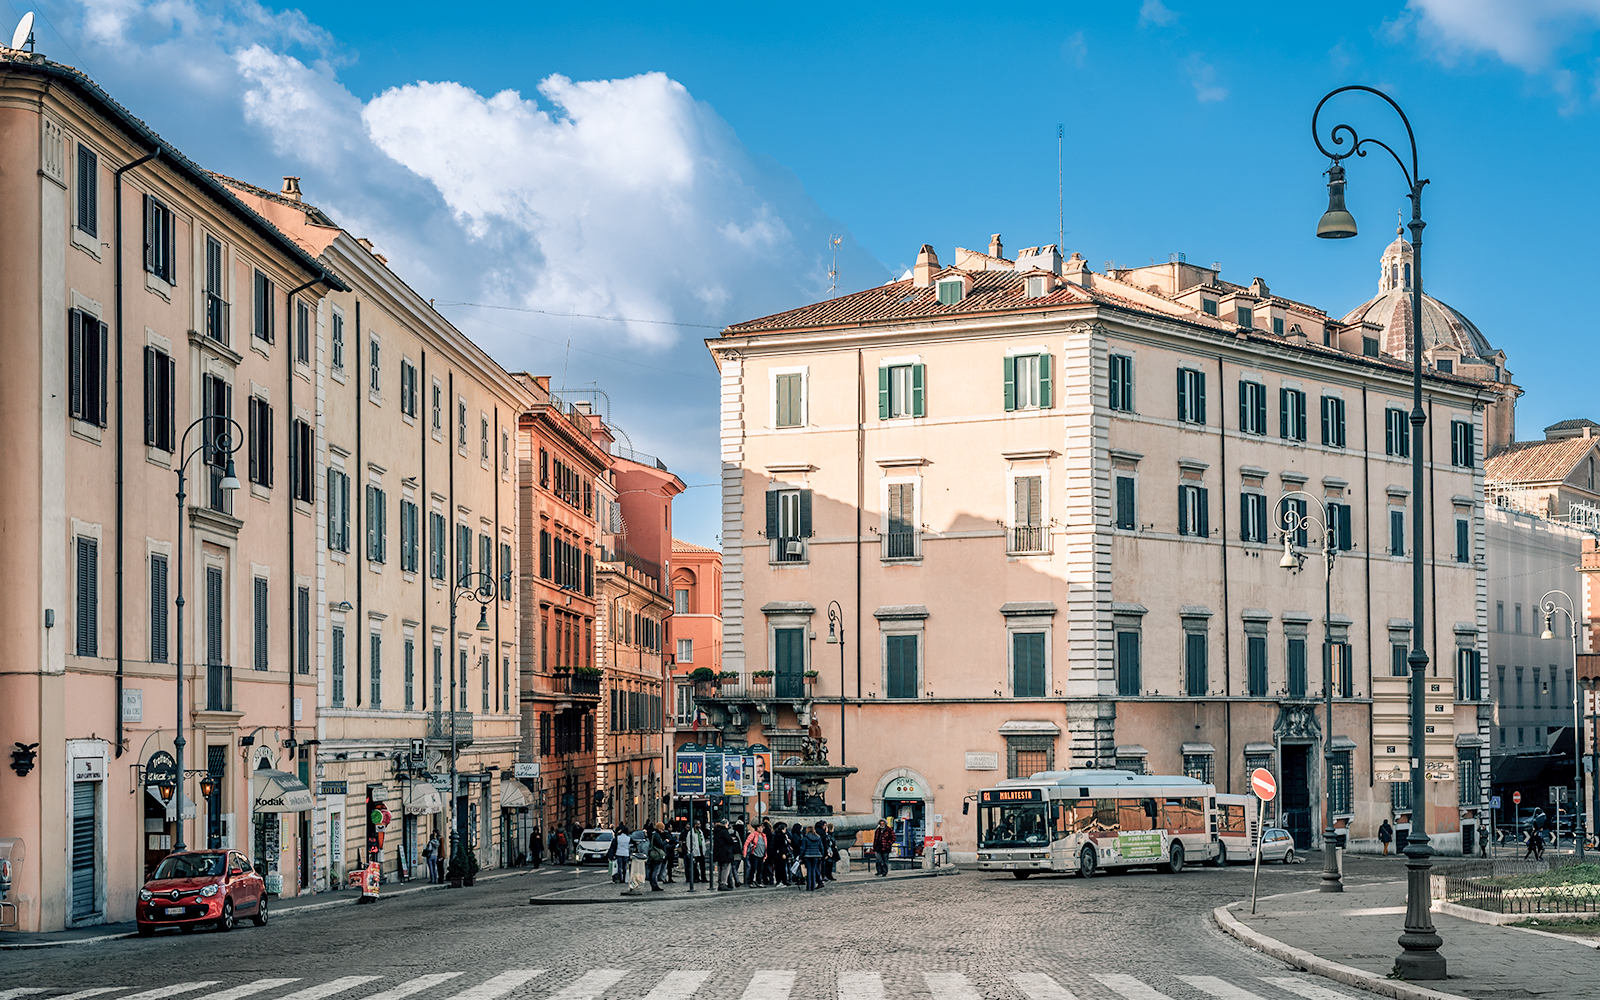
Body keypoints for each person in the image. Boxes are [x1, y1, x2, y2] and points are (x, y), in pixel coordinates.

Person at [713, 819, 739, 890]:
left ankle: (720, 883)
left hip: (718, 853)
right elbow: (730, 841)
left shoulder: (717, 831)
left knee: (720, 868)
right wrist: (731, 839)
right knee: (725, 868)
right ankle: (723, 883)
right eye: (727, 824)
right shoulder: (724, 831)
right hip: (725, 853)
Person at [801, 822, 825, 890]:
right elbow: (821, 847)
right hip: (816, 855)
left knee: (809, 870)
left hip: (807, 855)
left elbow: (803, 848)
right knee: (813, 870)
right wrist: (821, 855)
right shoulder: (818, 837)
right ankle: (813, 886)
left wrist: (801, 856)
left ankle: (809, 887)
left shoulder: (805, 838)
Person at [743, 821, 766, 887]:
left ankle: (759, 881)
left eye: (762, 827)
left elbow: (765, 846)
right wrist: (744, 853)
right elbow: (746, 844)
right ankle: (751, 881)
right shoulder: (753, 835)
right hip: (754, 854)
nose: (761, 829)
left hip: (761, 854)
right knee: (753, 868)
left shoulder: (764, 836)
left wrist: (765, 856)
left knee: (760, 869)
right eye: (759, 827)